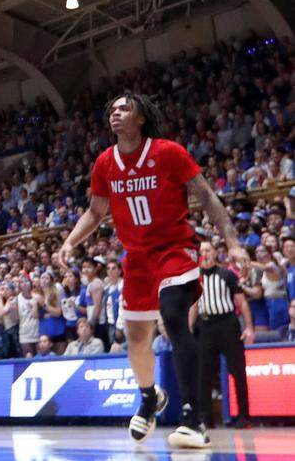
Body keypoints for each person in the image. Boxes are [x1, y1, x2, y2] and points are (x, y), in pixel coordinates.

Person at [58, 92, 250, 449]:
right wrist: (70, 242)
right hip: (138, 259)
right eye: (112, 109)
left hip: (175, 249)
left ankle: (194, 419)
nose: (115, 113)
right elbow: (96, 212)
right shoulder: (105, 163)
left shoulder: (167, 152)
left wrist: (233, 243)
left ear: (141, 117)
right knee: (136, 341)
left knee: (174, 315)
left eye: (124, 108)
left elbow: (207, 196)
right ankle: (149, 397)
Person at [191, 241, 254, 428]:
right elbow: (194, 306)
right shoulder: (195, 279)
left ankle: (244, 416)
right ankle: (205, 418)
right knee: (204, 374)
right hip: (205, 326)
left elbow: (241, 302)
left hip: (227, 324)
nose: (205, 253)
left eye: (208, 250)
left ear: (215, 253)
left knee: (238, 371)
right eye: (201, 251)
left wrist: (249, 327)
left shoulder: (226, 274)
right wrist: (188, 328)